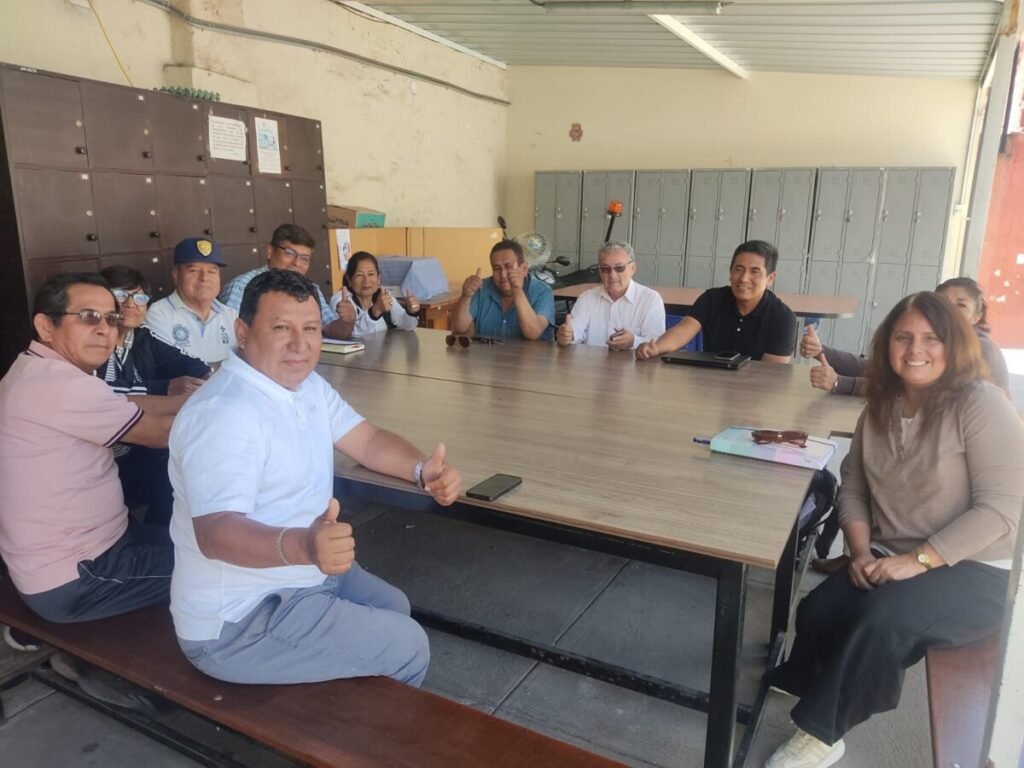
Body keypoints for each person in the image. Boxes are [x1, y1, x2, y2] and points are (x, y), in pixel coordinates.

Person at [763, 291, 1024, 768]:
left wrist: (918, 561)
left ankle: (824, 731)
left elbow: (1003, 509)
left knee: (883, 621)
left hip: (980, 566)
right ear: (886, 345)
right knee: (819, 610)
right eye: (903, 337)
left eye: (931, 338)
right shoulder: (881, 406)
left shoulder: (980, 403)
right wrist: (861, 551)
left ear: (954, 344)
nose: (915, 349)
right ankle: (810, 679)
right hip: (893, 551)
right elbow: (854, 485)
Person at [169, 269, 463, 687]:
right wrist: (305, 545)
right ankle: (353, 728)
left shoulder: (305, 387)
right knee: (408, 644)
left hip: (304, 574)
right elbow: (215, 532)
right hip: (238, 618)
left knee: (393, 606)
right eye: (281, 328)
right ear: (242, 332)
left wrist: (422, 469)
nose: (299, 344)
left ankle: (341, 708)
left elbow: (367, 440)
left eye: (309, 328)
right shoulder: (224, 413)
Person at [0, 273, 175, 623]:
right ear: (45, 326)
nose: (105, 329)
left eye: (111, 318)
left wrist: (198, 399)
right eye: (88, 317)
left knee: (195, 542)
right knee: (227, 565)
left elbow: (127, 404)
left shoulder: (36, 369)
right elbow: (161, 434)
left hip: (89, 548)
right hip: (80, 575)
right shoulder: (62, 385)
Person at [97, 265, 210, 525]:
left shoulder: (141, 337)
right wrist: (162, 388)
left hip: (138, 450)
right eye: (121, 295)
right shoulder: (93, 343)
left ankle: (163, 530)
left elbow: (190, 364)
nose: (131, 304)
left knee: (183, 463)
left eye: (139, 297)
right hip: (104, 456)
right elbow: (99, 392)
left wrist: (203, 380)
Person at [801, 277, 1011, 397]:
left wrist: (840, 383)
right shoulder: (933, 341)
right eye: (943, 303)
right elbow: (879, 367)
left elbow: (905, 389)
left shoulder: (980, 350)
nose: (949, 311)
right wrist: (822, 351)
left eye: (961, 305)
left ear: (976, 317)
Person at [636, 240, 796, 362]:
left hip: (755, 391)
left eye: (755, 271)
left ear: (770, 278)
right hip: (710, 385)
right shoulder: (712, 299)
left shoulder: (783, 318)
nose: (744, 278)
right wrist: (657, 348)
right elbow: (682, 331)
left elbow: (772, 372)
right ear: (730, 272)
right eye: (739, 269)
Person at [219, 223, 356, 340]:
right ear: (270, 252)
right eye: (289, 253)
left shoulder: (310, 289)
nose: (297, 263)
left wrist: (348, 322)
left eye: (304, 258)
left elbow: (332, 329)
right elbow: (229, 339)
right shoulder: (241, 286)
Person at [556, 241, 665, 351]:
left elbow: (656, 342)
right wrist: (568, 335)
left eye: (619, 268)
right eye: (605, 269)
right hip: (592, 360)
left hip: (634, 361)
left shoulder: (650, 300)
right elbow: (576, 329)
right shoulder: (587, 298)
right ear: (599, 271)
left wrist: (634, 341)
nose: (612, 275)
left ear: (633, 268)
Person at [146, 237, 238, 366]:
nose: (204, 278)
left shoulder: (232, 315)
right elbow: (168, 365)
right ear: (176, 275)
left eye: (212, 271)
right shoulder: (158, 314)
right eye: (194, 271)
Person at [450, 240, 554, 341]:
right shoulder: (481, 287)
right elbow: (458, 328)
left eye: (509, 267)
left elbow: (533, 333)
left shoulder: (542, 291)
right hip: (486, 352)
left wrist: (517, 290)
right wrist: (466, 296)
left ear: (524, 268)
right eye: (497, 268)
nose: (503, 275)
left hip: (528, 353)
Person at [329, 251, 420, 335]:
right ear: (349, 279)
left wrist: (411, 312)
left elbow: (406, 325)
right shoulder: (341, 300)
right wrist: (375, 311)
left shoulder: (383, 296)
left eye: (371, 274)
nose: (366, 280)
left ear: (378, 277)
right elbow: (350, 333)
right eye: (359, 275)